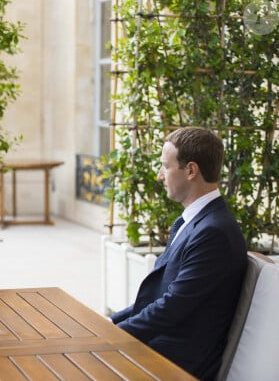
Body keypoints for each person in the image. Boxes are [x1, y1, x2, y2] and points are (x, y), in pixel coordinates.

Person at [110, 127, 247, 380]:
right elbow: (158, 299)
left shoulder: (214, 232)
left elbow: (171, 307)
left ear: (191, 170)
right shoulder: (197, 222)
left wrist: (111, 337)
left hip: (176, 362)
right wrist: (110, 324)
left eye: (165, 166)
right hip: (160, 346)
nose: (159, 175)